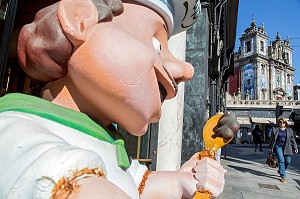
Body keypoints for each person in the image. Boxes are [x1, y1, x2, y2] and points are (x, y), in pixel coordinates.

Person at [0, 0, 240, 198]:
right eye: (157, 44)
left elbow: (135, 184)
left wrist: (178, 182)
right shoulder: (15, 130)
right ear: (79, 19)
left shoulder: (102, 139)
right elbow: (63, 181)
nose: (184, 70)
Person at [269, 118, 298, 182]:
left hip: (287, 147)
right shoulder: (275, 130)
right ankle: (283, 176)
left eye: (283, 122)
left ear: (286, 123)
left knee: (288, 161)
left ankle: (280, 170)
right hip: (278, 146)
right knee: (281, 160)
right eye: (280, 122)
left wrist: (295, 147)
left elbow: (292, 140)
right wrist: (270, 148)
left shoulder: (289, 130)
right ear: (278, 123)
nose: (282, 124)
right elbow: (271, 140)